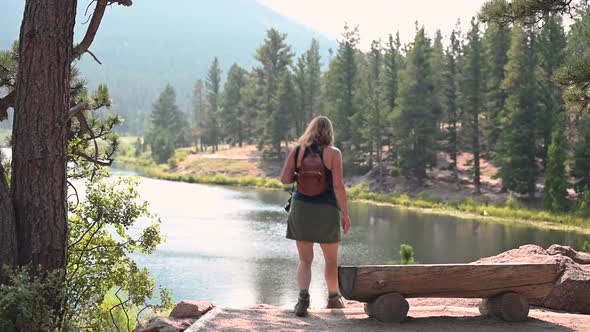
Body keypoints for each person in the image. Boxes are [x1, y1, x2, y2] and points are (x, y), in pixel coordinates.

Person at [279, 115, 351, 317]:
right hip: (326, 210)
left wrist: (299, 174)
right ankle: (333, 299)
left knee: (305, 260)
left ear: (310, 130)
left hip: (301, 209)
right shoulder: (334, 153)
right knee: (330, 261)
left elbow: (284, 180)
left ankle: (303, 299)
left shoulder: (298, 151)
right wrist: (345, 214)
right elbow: (338, 186)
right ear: (330, 132)